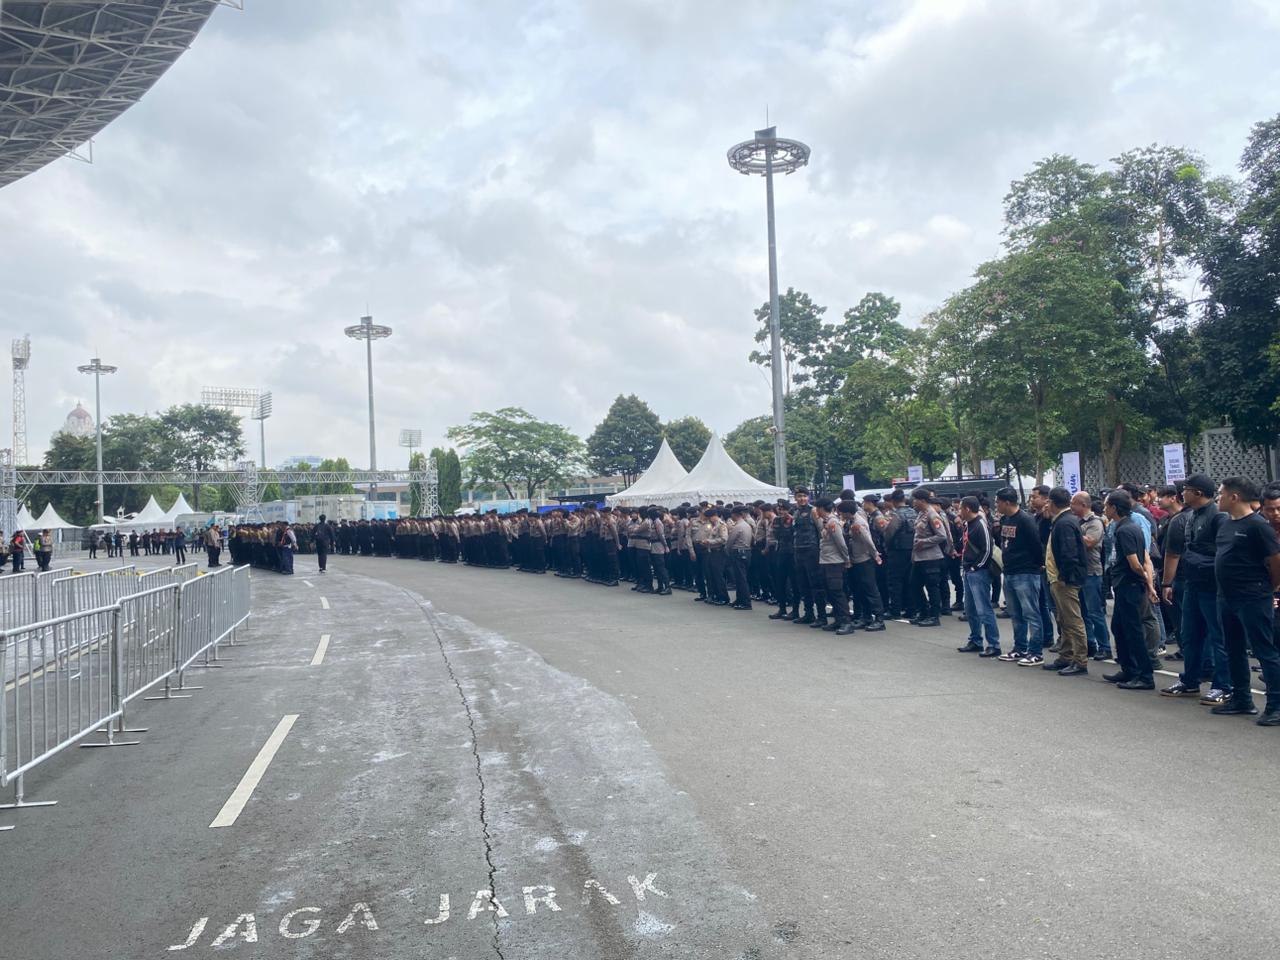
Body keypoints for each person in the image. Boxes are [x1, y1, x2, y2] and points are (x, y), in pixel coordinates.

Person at [1209, 477, 1280, 721]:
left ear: (1234, 497)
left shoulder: (1257, 526)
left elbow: (1275, 562)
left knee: (1264, 651)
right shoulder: (1226, 524)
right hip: (1226, 597)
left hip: (1252, 597)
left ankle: (1276, 705)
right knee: (1233, 648)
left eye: (1221, 494)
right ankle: (1242, 698)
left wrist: (1268, 588)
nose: (1218, 498)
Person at [1159, 474, 1231, 703]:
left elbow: (1223, 553)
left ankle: (1223, 685)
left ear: (1198, 492)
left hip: (1212, 587)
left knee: (1218, 637)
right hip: (1192, 584)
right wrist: (1169, 582)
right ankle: (1190, 680)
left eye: (1187, 489)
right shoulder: (1190, 516)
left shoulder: (1217, 516)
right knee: (1190, 635)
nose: (1182, 493)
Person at [1104, 490, 1158, 690]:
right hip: (1127, 585)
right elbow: (1145, 558)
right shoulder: (1131, 527)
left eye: (1107, 506)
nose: (1104, 509)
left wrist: (1146, 582)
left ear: (1114, 508)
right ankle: (1129, 670)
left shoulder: (1125, 530)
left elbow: (1136, 562)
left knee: (1133, 630)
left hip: (1130, 585)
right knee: (1118, 626)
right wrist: (1149, 584)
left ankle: (1144, 675)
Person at [995, 487, 1045, 665]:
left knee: (1031, 612)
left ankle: (1036, 651)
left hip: (1026, 572)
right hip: (1009, 571)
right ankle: (1019, 647)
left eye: (998, 501)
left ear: (1007, 502)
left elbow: (1036, 544)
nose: (996, 505)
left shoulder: (1025, 520)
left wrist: (1037, 565)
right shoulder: (1004, 519)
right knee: (1016, 614)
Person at [1042, 488, 1089, 676]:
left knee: (1073, 620)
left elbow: (1070, 554)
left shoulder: (1065, 523)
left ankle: (1080, 660)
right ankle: (1066, 655)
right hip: (1059, 578)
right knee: (1064, 619)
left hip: (1066, 580)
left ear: (1052, 502)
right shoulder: (1062, 521)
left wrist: (1064, 577)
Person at [956, 496, 1001, 657]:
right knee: (971, 609)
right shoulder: (968, 524)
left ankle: (994, 644)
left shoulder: (980, 524)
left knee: (984, 609)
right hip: (969, 570)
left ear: (967, 509)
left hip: (978, 572)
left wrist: (977, 566)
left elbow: (987, 549)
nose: (958, 511)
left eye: (960, 508)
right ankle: (976, 640)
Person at [1070, 492, 1110, 660]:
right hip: (1080, 573)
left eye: (1074, 503)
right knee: (1083, 612)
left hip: (1092, 572)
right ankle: (1090, 643)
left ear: (1083, 505)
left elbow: (1089, 542)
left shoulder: (1096, 522)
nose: (1071, 506)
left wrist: (1071, 535)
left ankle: (1105, 646)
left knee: (1095, 612)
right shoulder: (1076, 522)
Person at [908, 488, 948, 627]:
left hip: (931, 557)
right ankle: (923, 611)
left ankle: (934, 616)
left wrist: (924, 543)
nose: (913, 502)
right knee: (914, 585)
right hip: (919, 558)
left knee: (932, 587)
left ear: (922, 501)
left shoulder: (932, 515)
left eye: (915, 499)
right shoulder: (921, 514)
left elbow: (942, 535)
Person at [815, 499, 854, 635]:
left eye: (817, 508)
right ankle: (838, 619)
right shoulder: (826, 522)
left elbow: (841, 543)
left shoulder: (833, 522)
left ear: (821, 508)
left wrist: (846, 559)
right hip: (826, 561)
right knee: (830, 592)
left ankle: (846, 622)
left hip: (834, 562)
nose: (816, 511)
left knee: (837, 592)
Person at [882, 489, 917, 619]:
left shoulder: (897, 515)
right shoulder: (913, 512)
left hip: (897, 551)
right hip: (912, 550)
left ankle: (895, 610)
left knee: (895, 581)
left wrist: (887, 546)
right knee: (910, 580)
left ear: (893, 501)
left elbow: (889, 533)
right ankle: (911, 609)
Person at [791, 488, 822, 624]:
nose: (802, 498)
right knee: (803, 584)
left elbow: (821, 530)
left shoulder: (813, 511)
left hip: (811, 550)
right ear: (795, 498)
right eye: (799, 496)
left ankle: (822, 616)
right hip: (799, 550)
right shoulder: (796, 512)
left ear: (808, 497)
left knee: (815, 584)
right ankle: (809, 613)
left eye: (804, 496)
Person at [726, 506, 754, 610]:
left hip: (738, 552)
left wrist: (727, 551)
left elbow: (730, 541)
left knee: (740, 578)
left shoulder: (737, 527)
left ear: (734, 514)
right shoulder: (746, 525)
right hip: (746, 552)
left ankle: (745, 602)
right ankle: (740, 599)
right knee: (741, 577)